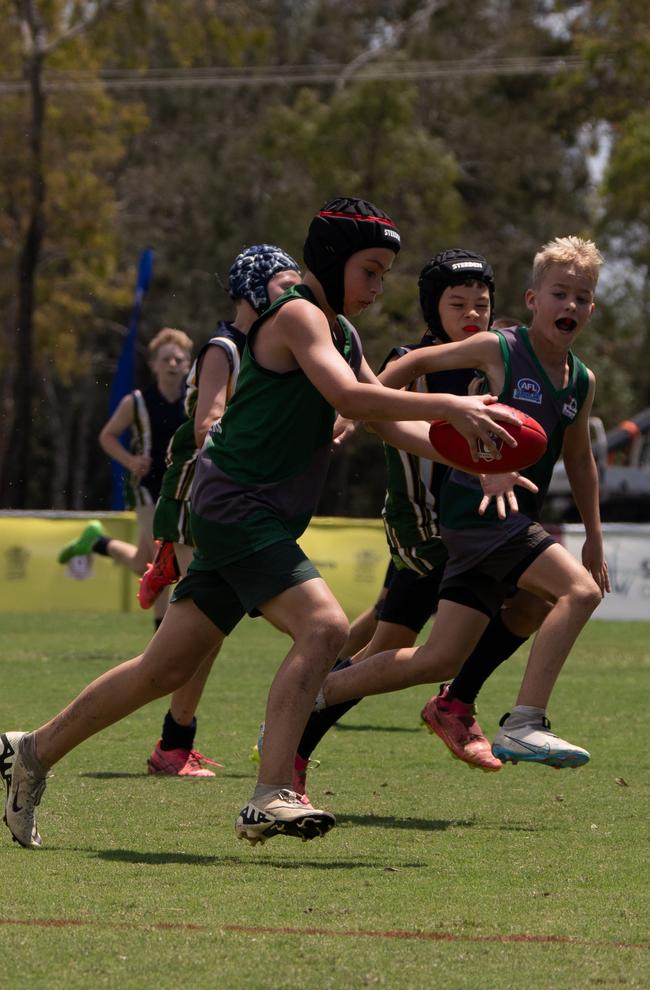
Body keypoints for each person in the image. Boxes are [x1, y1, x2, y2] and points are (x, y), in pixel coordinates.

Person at [1, 196, 523, 852]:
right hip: (234, 505)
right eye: (370, 269)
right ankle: (271, 791)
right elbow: (348, 397)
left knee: (163, 669)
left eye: (385, 273)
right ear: (331, 262)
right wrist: (451, 402)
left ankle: (32, 751)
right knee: (326, 626)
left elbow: (385, 422)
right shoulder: (300, 314)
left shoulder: (342, 332)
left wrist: (476, 453)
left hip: (250, 513)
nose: (377, 286)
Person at [305, 235, 610, 771]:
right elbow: (411, 362)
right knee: (578, 594)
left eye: (582, 298)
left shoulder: (579, 380)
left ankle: (319, 691)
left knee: (439, 656)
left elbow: (580, 461)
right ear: (533, 299)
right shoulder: (501, 349)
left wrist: (594, 537)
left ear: (592, 308)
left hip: (506, 522)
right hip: (477, 514)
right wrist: (353, 411)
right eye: (559, 293)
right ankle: (525, 722)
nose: (571, 306)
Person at [277, 249, 551, 801]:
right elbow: (375, 399)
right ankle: (301, 731)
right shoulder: (416, 360)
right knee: (397, 647)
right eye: (458, 305)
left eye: (481, 304)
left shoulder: (491, 361)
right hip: (423, 524)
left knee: (517, 605)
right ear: (434, 309)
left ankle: (304, 737)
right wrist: (349, 419)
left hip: (472, 522)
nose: (471, 315)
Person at [142, 245, 302, 777]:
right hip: (197, 496)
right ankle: (173, 744)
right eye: (285, 286)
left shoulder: (264, 347)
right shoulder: (225, 348)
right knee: (196, 638)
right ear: (254, 290)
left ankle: (175, 740)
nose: (296, 296)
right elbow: (208, 424)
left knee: (203, 634)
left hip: (219, 499)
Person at [57, 327, 194, 628]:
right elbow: (107, 436)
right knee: (163, 558)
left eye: (179, 359)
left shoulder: (193, 400)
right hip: (146, 488)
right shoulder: (137, 401)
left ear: (188, 365)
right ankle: (161, 633)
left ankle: (97, 542)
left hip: (182, 487)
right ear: (154, 364)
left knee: (140, 562)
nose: (173, 364)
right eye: (166, 358)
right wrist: (131, 461)